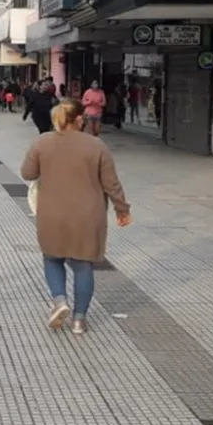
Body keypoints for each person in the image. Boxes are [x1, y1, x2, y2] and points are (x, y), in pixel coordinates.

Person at [21, 100, 130, 334]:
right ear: (80, 119)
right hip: (87, 215)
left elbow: (27, 172)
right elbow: (111, 183)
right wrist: (122, 209)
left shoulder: (42, 142)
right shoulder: (96, 145)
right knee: (82, 265)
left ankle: (60, 301)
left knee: (52, 258)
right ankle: (80, 319)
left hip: (52, 213)